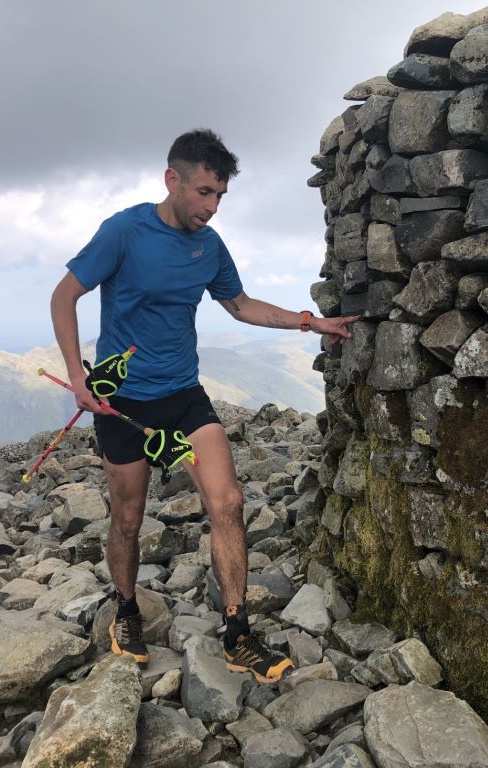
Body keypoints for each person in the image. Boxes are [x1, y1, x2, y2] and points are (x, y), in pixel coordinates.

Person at [51, 128, 358, 684]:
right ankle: (124, 611)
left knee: (230, 502)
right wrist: (78, 376)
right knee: (127, 517)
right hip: (121, 403)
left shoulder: (208, 246)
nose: (212, 207)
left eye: (220, 196)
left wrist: (313, 323)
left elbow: (239, 304)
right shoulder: (124, 231)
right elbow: (64, 295)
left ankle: (238, 634)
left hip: (184, 396)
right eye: (204, 192)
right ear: (173, 180)